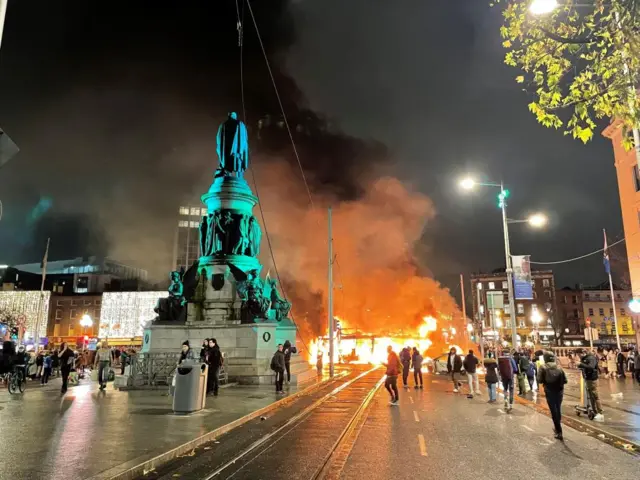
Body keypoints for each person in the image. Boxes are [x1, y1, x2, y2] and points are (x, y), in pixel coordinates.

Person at [537, 351, 568, 440]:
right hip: (559, 390)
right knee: (558, 408)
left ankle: (559, 431)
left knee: (553, 410)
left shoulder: (543, 367)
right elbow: (565, 381)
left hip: (549, 390)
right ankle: (558, 427)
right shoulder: (559, 367)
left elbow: (539, 380)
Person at [578, 349, 605, 422]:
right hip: (588, 379)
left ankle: (600, 412)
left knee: (595, 395)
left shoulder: (591, 358)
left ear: (583, 353)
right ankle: (595, 411)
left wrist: (581, 364)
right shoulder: (585, 359)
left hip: (592, 379)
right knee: (591, 396)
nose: (578, 356)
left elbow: (591, 367)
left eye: (579, 354)